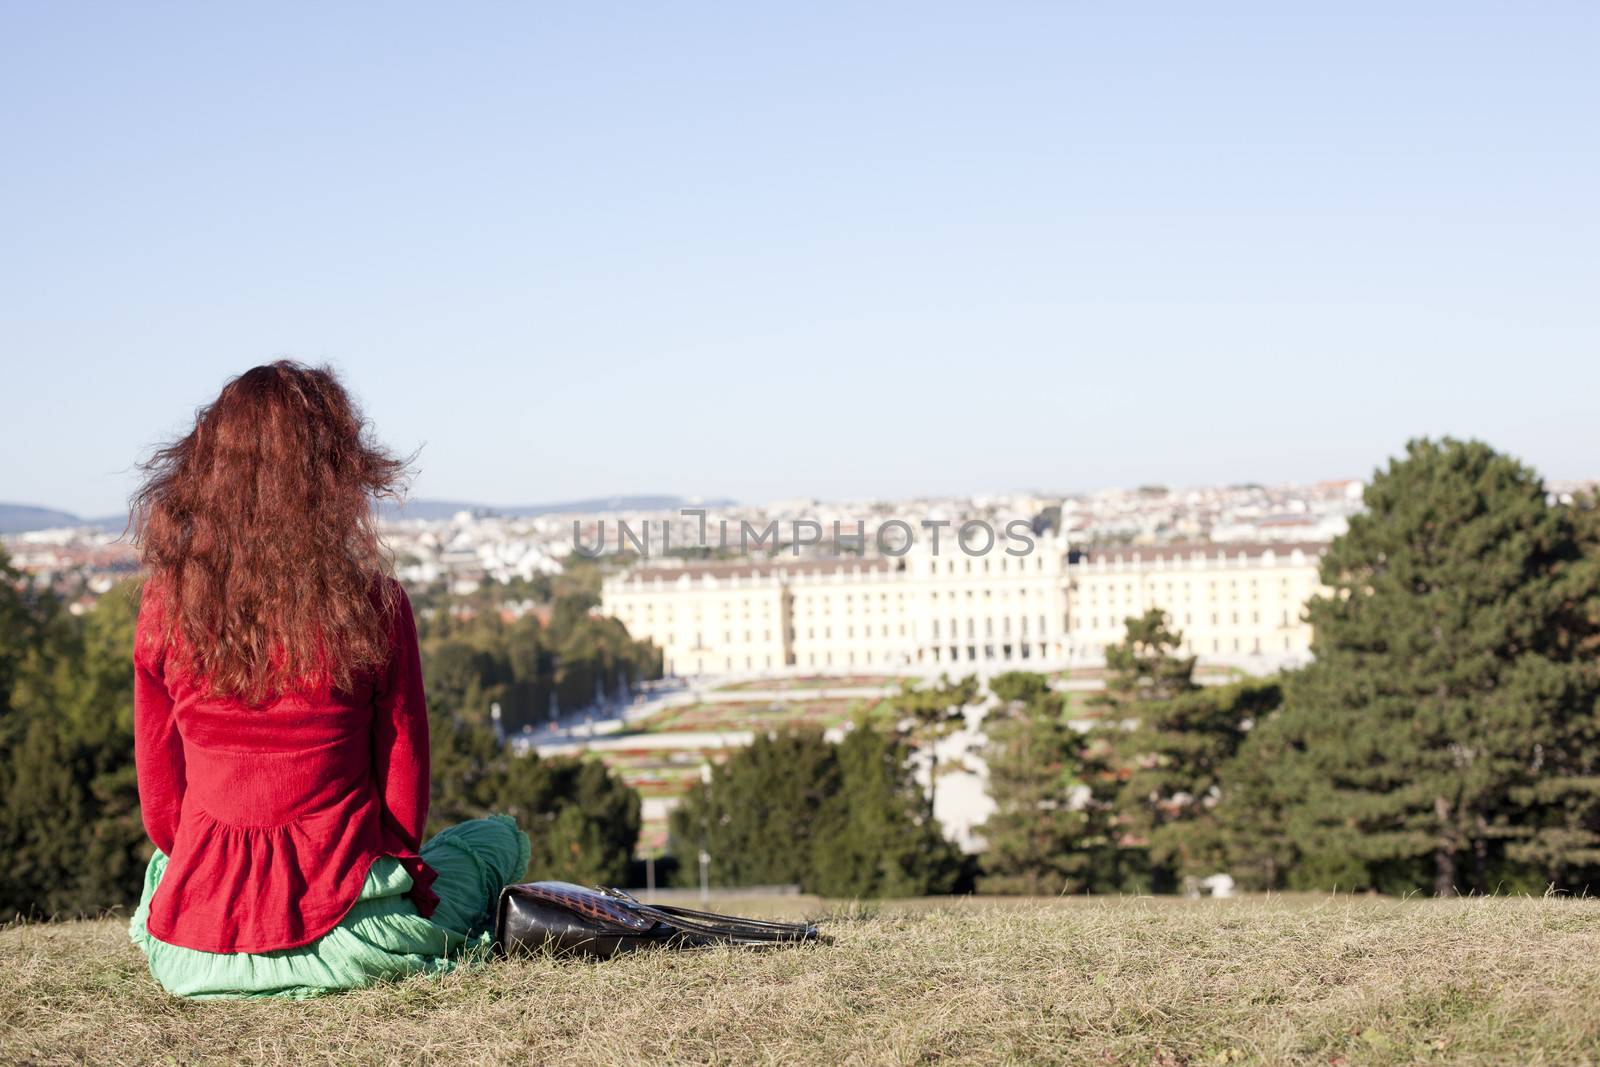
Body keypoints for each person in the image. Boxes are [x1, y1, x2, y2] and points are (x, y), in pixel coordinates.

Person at [126, 361, 529, 999]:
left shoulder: (163, 607)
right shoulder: (375, 606)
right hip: (354, 937)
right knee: (497, 841)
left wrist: (218, 874)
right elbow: (404, 795)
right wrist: (389, 880)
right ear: (334, 473)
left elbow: (162, 808)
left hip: (196, 953)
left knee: (162, 868)